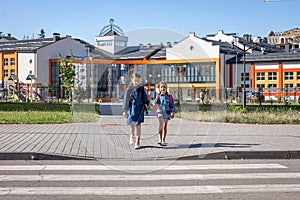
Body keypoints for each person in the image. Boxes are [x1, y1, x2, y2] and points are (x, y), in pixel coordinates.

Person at [122, 72, 149, 149]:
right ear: (132, 80)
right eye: (135, 80)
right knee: (132, 125)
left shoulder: (141, 89)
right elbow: (126, 100)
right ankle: (132, 135)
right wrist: (124, 110)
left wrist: (148, 104)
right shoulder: (129, 89)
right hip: (132, 109)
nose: (137, 82)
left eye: (138, 81)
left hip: (140, 109)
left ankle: (138, 142)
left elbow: (145, 98)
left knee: (138, 125)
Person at [152, 81, 176, 146]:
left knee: (165, 126)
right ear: (159, 88)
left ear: (166, 88)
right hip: (160, 112)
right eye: (161, 87)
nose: (163, 88)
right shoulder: (159, 96)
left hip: (167, 113)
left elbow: (172, 106)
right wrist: (154, 106)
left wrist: (172, 112)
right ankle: (160, 139)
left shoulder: (170, 97)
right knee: (161, 125)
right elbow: (154, 103)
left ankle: (163, 140)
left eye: (164, 87)